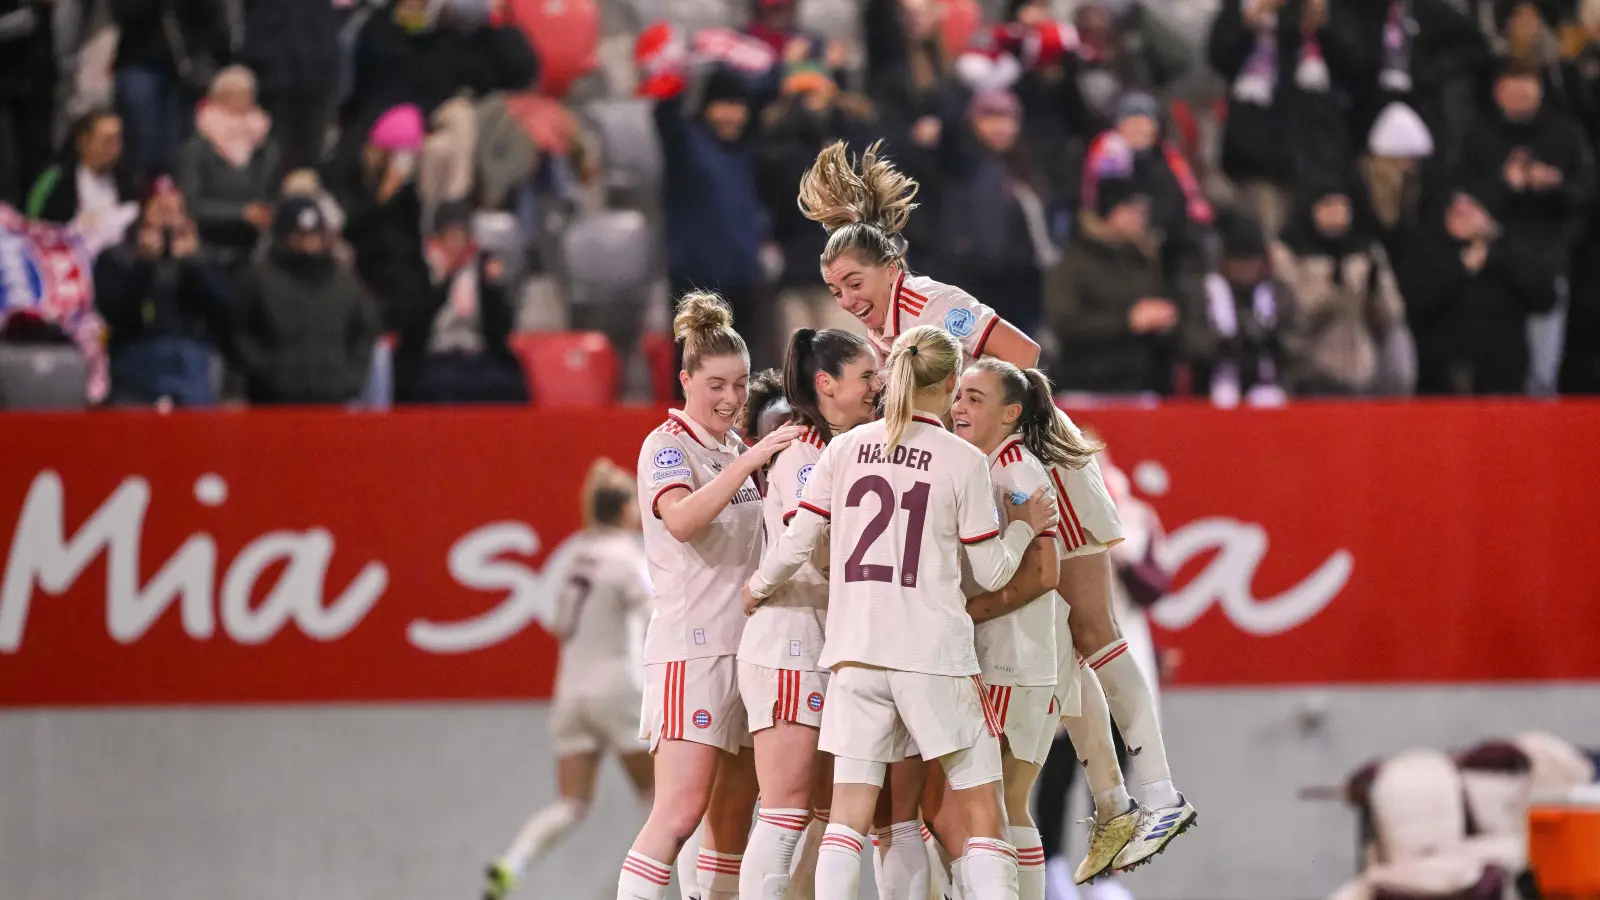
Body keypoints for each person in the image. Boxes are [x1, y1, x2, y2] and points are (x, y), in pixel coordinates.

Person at [744, 325, 1059, 900]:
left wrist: (757, 586)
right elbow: (992, 573)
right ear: (951, 382)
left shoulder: (844, 448)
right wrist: (1022, 529)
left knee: (846, 823)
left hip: (855, 653)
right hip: (932, 655)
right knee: (982, 817)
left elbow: (796, 542)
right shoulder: (962, 460)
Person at [617, 292, 803, 900]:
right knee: (679, 811)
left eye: (740, 385)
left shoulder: (732, 450)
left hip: (748, 652)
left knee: (731, 820)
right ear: (686, 381)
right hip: (691, 652)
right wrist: (751, 462)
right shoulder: (667, 445)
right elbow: (681, 520)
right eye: (716, 385)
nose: (730, 398)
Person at [917, 358, 1073, 900]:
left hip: (1011, 659)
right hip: (1005, 657)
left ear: (1010, 414)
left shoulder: (1016, 472)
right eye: (958, 395)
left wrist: (968, 612)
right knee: (991, 806)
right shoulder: (982, 464)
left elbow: (1045, 573)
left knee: (981, 807)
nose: (959, 407)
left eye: (975, 399)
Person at [736, 328, 879, 900]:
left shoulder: (848, 446)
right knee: (785, 812)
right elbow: (810, 542)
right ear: (827, 384)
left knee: (825, 812)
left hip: (824, 642)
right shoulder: (803, 450)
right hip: (791, 640)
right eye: (866, 376)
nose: (878, 386)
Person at [485, 459, 657, 900]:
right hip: (619, 690)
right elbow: (655, 615)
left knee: (572, 803)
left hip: (571, 693)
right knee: (661, 799)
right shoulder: (627, 558)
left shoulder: (576, 555)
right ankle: (643, 887)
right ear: (626, 510)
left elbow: (558, 622)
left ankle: (512, 864)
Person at [1047, 407, 1195, 878]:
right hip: (1066, 650)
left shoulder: (1133, 514)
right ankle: (1051, 868)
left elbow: (1155, 586)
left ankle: (1107, 873)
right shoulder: (1045, 506)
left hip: (1117, 645)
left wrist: (1120, 548)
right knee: (1057, 769)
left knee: (1118, 766)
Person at [796, 141, 1043, 368]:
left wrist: (980, 401)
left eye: (855, 284)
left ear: (891, 270)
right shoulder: (880, 326)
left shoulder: (933, 307)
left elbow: (1024, 352)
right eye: (837, 292)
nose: (847, 301)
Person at [92, 178, 229, 406]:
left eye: (176, 210)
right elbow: (112, 309)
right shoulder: (117, 256)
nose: (168, 218)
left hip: (191, 358)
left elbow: (225, 309)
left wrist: (193, 263)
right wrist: (143, 264)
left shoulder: (203, 258)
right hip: (135, 357)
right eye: (161, 210)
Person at [233, 197, 379, 405]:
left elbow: (365, 330)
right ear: (282, 236)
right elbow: (239, 333)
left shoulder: (345, 281)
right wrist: (265, 373)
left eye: (314, 236)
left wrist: (350, 377)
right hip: (274, 403)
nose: (308, 244)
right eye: (299, 236)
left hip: (332, 400)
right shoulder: (259, 279)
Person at [177, 66, 279, 272]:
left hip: (256, 246)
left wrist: (266, 212)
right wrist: (241, 213)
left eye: (246, 94)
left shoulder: (266, 145)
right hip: (209, 245)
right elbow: (191, 203)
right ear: (217, 97)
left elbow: (273, 190)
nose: (240, 100)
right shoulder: (197, 146)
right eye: (233, 94)